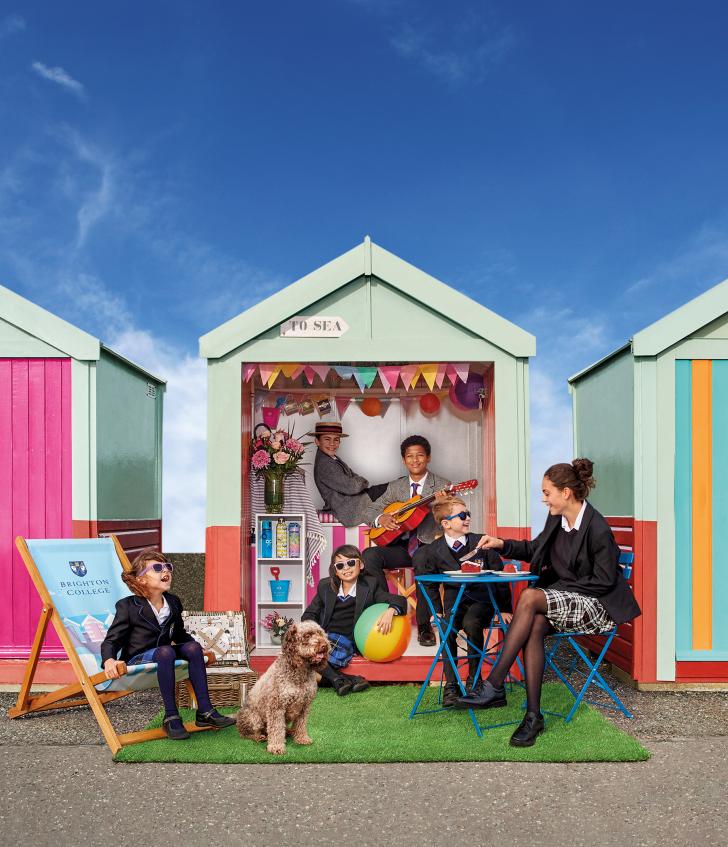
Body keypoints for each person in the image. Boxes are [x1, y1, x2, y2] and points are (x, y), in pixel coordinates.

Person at [454, 458, 641, 747]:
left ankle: (493, 685)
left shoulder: (597, 528)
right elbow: (533, 549)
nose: (543, 499)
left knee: (530, 597)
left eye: (547, 493)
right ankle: (533, 716)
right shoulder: (557, 519)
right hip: (567, 600)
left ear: (566, 493)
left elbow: (603, 581)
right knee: (535, 624)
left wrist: (557, 590)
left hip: (597, 605)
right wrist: (501, 544)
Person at [101, 548, 236, 740]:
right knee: (165, 652)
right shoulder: (128, 606)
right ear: (141, 579)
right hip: (138, 659)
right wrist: (109, 661)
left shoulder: (173, 602)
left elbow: (179, 634)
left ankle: (205, 711)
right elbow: (112, 640)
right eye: (157, 568)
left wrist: (199, 650)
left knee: (192, 647)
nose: (165, 571)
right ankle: (171, 717)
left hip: (164, 655)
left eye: (167, 567)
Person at [412, 496, 511, 706]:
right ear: (446, 523)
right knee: (447, 625)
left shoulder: (482, 542)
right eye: (462, 515)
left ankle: (475, 682)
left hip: (482, 602)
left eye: (469, 514)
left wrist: (504, 609)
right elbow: (428, 585)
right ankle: (451, 684)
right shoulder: (432, 550)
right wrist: (436, 611)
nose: (468, 519)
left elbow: (501, 578)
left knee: (471, 623)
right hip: (453, 604)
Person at [362, 435, 451, 647]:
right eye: (410, 456)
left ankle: (424, 627)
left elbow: (456, 518)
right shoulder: (396, 487)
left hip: (430, 547)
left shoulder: (443, 485)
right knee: (369, 555)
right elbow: (369, 509)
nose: (415, 460)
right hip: (400, 547)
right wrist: (381, 518)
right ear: (404, 460)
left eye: (420, 455)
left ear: (428, 458)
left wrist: (442, 506)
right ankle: (385, 609)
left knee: (421, 558)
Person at [301, 544, 407, 695]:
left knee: (304, 664)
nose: (346, 568)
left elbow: (399, 599)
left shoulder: (370, 585)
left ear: (361, 564)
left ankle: (339, 679)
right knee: (302, 658)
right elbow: (309, 614)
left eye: (351, 562)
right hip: (324, 637)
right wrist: (313, 634)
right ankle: (343, 679)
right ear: (335, 570)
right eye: (340, 565)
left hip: (346, 641)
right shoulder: (326, 586)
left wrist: (391, 610)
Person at [311, 421, 387, 526]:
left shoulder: (333, 458)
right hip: (349, 508)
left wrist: (357, 482)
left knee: (392, 490)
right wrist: (363, 481)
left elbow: (352, 475)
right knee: (393, 489)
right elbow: (353, 487)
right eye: (327, 439)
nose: (332, 444)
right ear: (317, 441)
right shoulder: (325, 464)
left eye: (336, 439)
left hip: (354, 500)